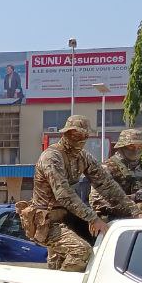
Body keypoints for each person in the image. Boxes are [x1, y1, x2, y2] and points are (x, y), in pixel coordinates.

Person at [20, 115, 134, 272]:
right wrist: (93, 218)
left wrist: (134, 211)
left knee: (60, 262)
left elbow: (106, 185)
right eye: (74, 134)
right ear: (65, 134)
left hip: (68, 220)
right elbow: (63, 193)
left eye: (83, 135)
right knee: (81, 252)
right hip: (46, 222)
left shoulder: (83, 157)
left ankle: (56, 281)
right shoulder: (51, 157)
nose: (78, 139)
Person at [91, 128, 142, 218]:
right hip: (115, 221)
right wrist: (132, 208)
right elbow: (97, 201)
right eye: (131, 147)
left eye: (139, 147)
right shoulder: (106, 169)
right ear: (121, 147)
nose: (136, 150)